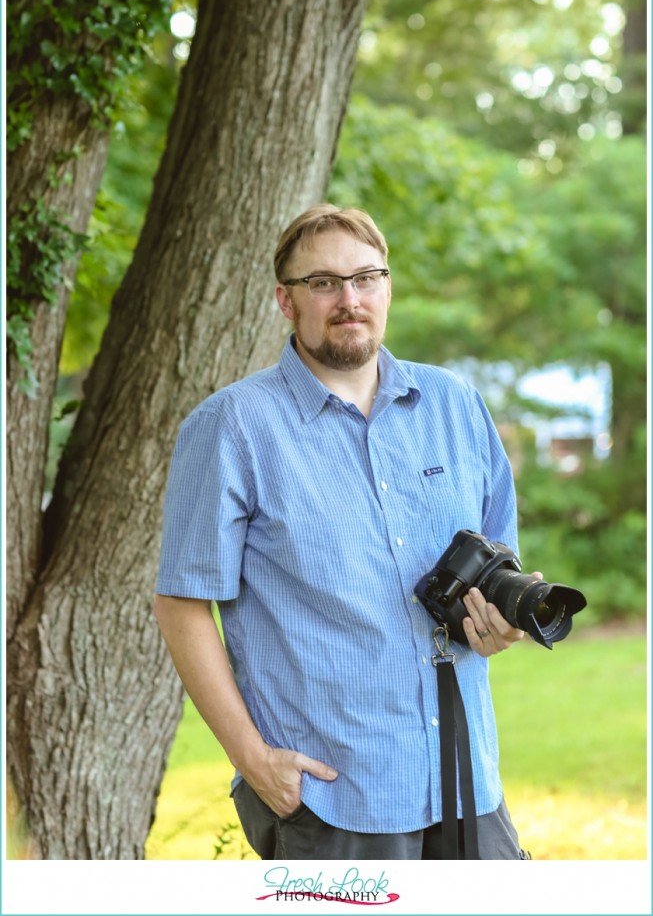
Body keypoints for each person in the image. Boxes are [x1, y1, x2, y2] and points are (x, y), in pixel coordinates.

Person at [154, 203, 535, 861]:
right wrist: (253, 758)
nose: (348, 298)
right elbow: (182, 603)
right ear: (285, 300)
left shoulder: (454, 404)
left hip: (466, 778)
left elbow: (501, 557)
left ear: (386, 287)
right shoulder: (232, 426)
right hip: (329, 796)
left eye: (365, 278)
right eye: (323, 282)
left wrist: (498, 624)